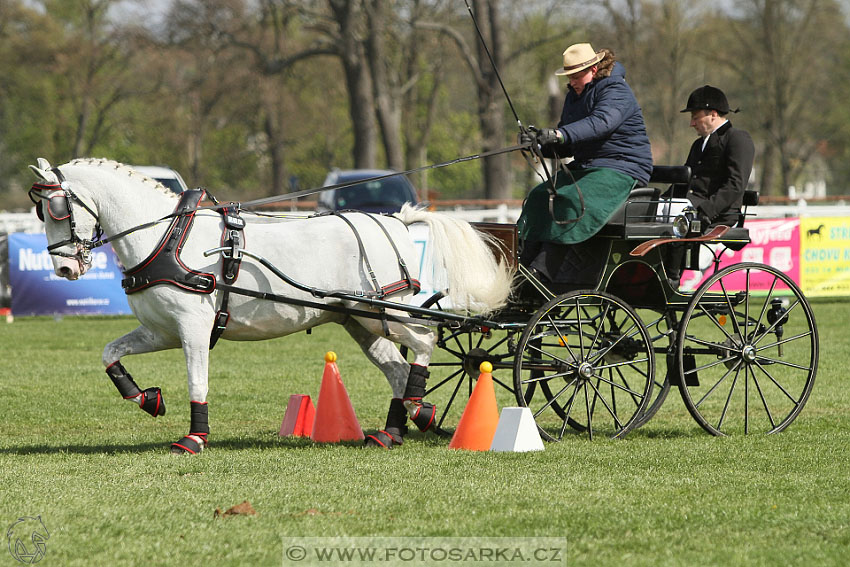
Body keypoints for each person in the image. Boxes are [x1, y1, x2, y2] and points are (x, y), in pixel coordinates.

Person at [516, 42, 653, 289]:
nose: (573, 81)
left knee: (569, 200)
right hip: (589, 167)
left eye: (577, 76)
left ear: (595, 68)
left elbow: (600, 123)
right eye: (570, 77)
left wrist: (558, 134)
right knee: (538, 196)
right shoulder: (574, 97)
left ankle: (542, 273)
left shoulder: (615, 91)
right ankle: (521, 266)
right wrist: (539, 143)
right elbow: (568, 144)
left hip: (622, 167)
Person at [665, 85, 755, 285]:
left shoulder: (737, 139)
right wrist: (660, 200)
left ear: (713, 114)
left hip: (716, 214)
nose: (691, 123)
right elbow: (686, 181)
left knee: (675, 222)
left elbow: (735, 184)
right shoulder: (699, 145)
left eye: (695, 117)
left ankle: (670, 280)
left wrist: (705, 212)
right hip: (690, 209)